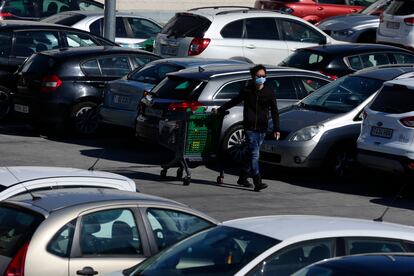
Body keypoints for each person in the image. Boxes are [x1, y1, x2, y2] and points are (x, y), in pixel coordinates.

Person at [217, 64, 280, 192]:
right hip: (249, 128)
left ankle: (242, 178)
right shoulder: (247, 91)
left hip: (262, 128)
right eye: (258, 76)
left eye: (263, 76)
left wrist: (276, 129)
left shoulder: (269, 92)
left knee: (250, 154)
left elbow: (274, 111)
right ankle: (258, 181)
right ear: (253, 77)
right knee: (254, 154)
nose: (261, 78)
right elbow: (234, 101)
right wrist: (221, 109)